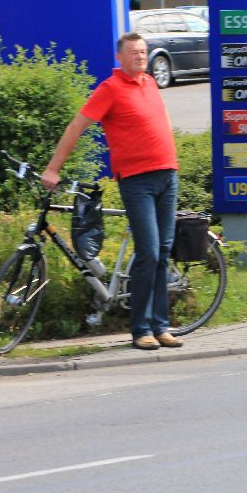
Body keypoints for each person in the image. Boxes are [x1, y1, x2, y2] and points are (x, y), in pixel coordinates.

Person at [41, 32, 183, 351]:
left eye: (144, 52)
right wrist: (53, 168)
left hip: (167, 175)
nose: (140, 56)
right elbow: (77, 126)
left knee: (163, 251)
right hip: (137, 180)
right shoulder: (110, 89)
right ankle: (141, 329)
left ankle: (161, 326)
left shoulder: (149, 83)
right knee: (148, 251)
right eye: (134, 52)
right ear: (119, 58)